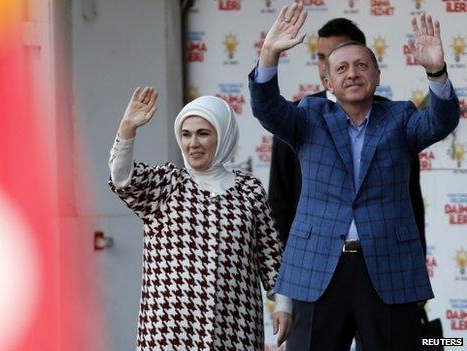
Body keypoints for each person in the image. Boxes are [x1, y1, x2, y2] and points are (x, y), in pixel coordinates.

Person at [249, 3, 459, 350]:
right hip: (320, 268)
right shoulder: (309, 117)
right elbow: (267, 107)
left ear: (377, 76)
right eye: (342, 68)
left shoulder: (400, 118)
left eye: (362, 66)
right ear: (327, 80)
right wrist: (269, 55)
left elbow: (441, 121)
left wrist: (436, 72)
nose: (352, 73)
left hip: (387, 266)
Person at [109, 87, 292, 350]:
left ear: (224, 135)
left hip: (234, 328)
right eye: (186, 134)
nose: (193, 143)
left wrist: (283, 307)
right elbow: (122, 178)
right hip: (169, 332)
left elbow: (272, 260)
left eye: (203, 133)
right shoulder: (167, 182)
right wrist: (127, 129)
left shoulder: (249, 190)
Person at [268, 18, 426, 255]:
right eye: (321, 57)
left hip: (384, 261)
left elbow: (410, 195)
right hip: (312, 264)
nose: (325, 66)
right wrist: (281, 268)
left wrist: (416, 256)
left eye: (336, 54)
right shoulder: (296, 116)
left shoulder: (397, 118)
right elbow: (280, 197)